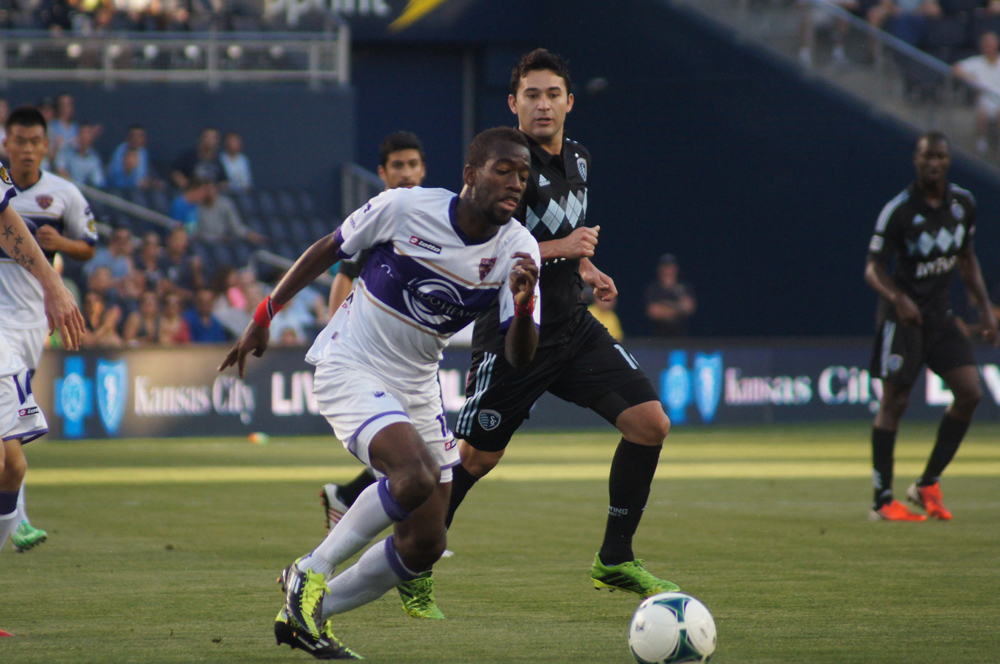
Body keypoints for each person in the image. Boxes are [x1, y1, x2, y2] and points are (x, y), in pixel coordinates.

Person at [325, 50, 678, 621]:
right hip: (515, 329)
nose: (542, 105)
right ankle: (418, 563)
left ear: (569, 101)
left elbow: (565, 232)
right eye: (531, 95)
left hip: (574, 325)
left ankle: (614, 557)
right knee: (475, 459)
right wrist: (563, 251)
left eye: (552, 94)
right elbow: (483, 252)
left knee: (650, 424)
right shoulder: (505, 165)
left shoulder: (581, 159)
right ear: (512, 104)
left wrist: (584, 267)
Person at [219, 127, 541, 659]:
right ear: (469, 175)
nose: (515, 184)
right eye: (503, 170)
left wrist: (525, 305)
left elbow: (519, 355)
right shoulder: (405, 208)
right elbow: (329, 248)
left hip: (417, 383)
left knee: (426, 544)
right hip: (352, 363)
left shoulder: (519, 249)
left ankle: (304, 617)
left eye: (524, 176)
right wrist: (265, 313)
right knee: (411, 476)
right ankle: (307, 573)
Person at [865, 131, 998, 522]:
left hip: (940, 316)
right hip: (902, 319)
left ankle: (927, 483)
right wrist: (900, 299)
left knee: (970, 392)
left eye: (939, 156)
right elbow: (873, 269)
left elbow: (967, 258)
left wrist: (986, 309)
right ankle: (882, 500)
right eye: (926, 156)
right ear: (917, 161)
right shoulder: (899, 211)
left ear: (948, 160)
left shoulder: (963, 204)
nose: (933, 162)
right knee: (895, 404)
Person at [0, 106, 97, 552]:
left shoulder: (63, 194)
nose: (24, 149)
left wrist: (60, 255)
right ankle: (19, 517)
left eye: (32, 141)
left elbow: (88, 246)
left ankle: (15, 513)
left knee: (11, 452)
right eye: (17, 140)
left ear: (45, 145)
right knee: (10, 450)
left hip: (31, 324)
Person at [327, 131, 428, 315]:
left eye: (413, 165)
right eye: (398, 166)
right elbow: (345, 275)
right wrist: (332, 332)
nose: (406, 173)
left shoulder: (436, 217)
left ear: (423, 169)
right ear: (382, 172)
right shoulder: (371, 219)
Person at [953, 32, 1000, 157]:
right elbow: (956, 68)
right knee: (982, 113)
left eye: (991, 44)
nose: (989, 46)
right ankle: (981, 141)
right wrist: (970, 78)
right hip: (984, 99)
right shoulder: (976, 62)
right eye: (986, 44)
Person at [193, 180, 264, 245]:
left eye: (211, 189)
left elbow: (236, 227)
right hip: (203, 244)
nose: (209, 193)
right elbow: (195, 233)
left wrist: (248, 234)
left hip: (223, 243)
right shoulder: (195, 207)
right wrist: (215, 238)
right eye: (206, 190)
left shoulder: (226, 204)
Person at [644, 254, 697, 337]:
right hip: (658, 336)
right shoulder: (653, 288)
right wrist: (679, 308)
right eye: (665, 267)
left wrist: (666, 305)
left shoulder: (684, 287)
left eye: (670, 267)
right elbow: (653, 311)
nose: (668, 271)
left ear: (676, 268)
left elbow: (689, 308)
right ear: (660, 269)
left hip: (681, 336)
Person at [54, 122, 105, 188]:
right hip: (64, 189)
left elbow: (98, 182)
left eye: (88, 133)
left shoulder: (94, 158)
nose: (85, 136)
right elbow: (59, 168)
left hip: (83, 195)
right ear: (78, 135)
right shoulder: (67, 150)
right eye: (83, 133)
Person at [107, 125, 152, 189]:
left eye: (140, 136)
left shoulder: (143, 153)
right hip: (117, 190)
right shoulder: (120, 151)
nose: (136, 139)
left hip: (137, 191)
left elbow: (142, 178)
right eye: (133, 136)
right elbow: (114, 178)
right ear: (128, 137)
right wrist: (128, 170)